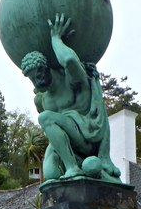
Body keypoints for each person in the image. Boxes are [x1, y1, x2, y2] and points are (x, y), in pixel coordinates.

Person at [21, 13, 121, 183]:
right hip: (69, 146)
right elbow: (54, 132)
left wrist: (55, 39)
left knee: (45, 117)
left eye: (38, 74)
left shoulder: (72, 81)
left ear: (46, 67)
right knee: (51, 175)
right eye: (32, 78)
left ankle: (73, 168)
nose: (36, 81)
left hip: (87, 135)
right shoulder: (42, 100)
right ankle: (78, 167)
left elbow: (68, 59)